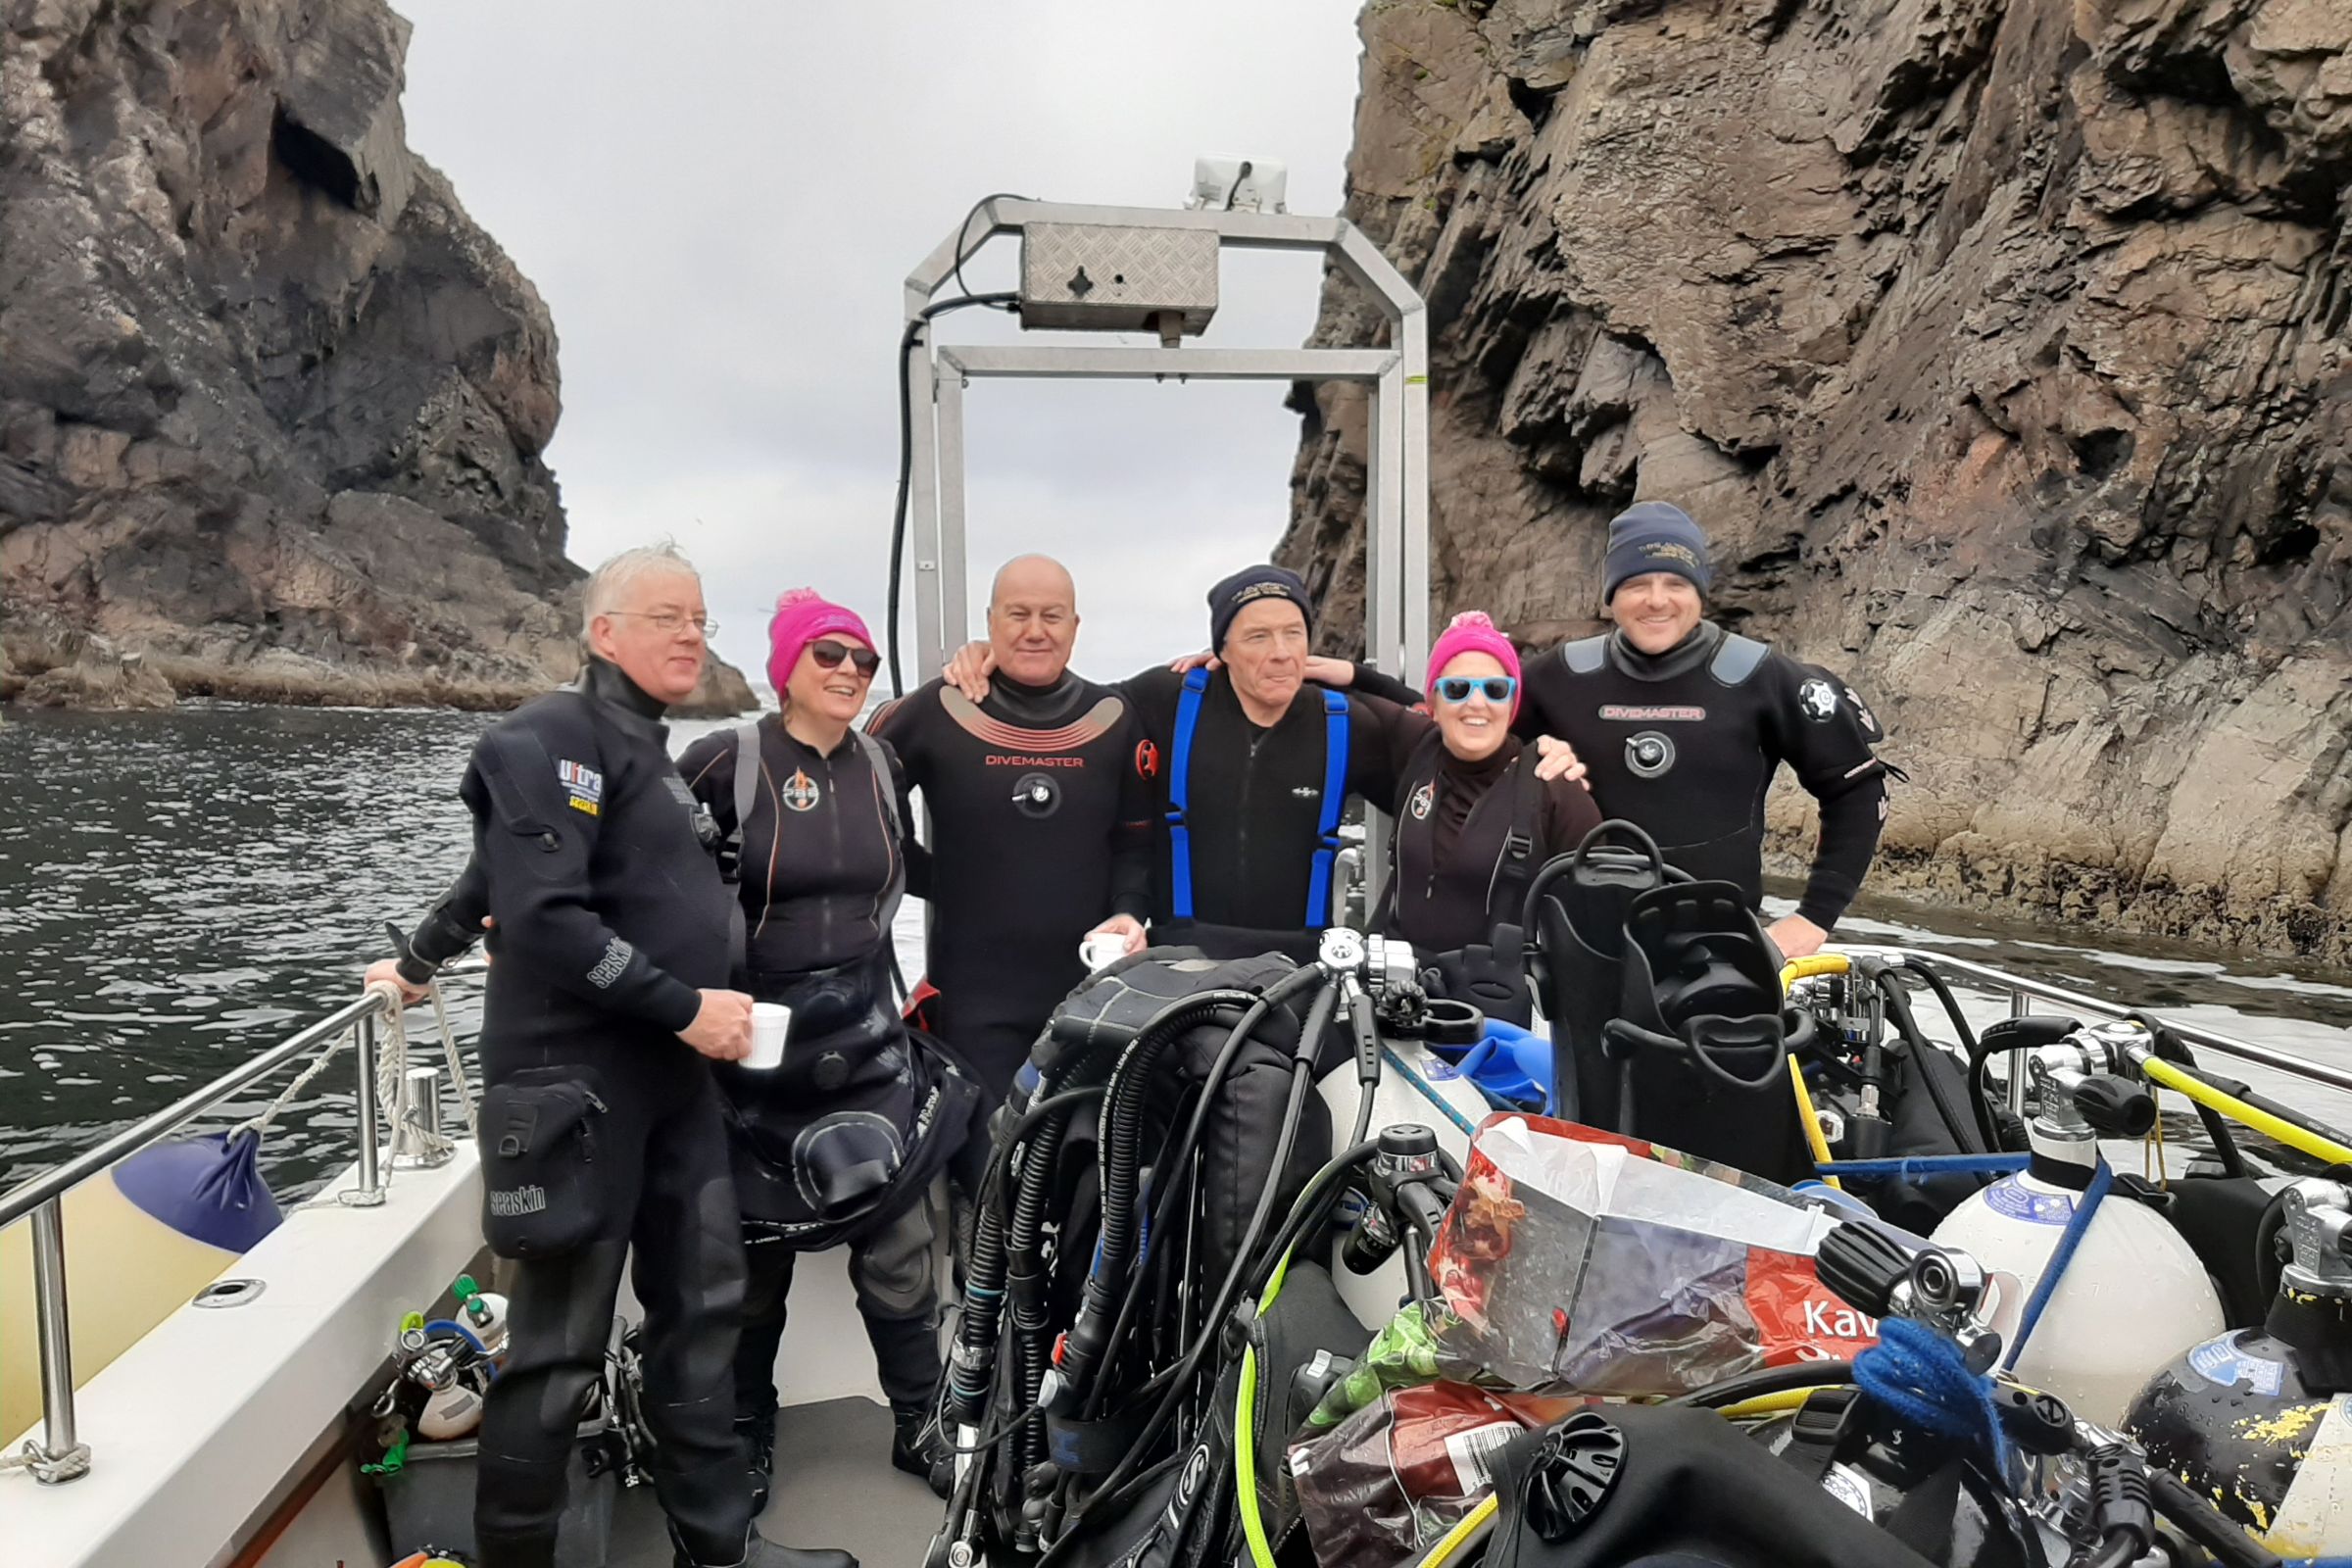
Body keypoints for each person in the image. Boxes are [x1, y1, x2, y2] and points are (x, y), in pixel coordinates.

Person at [365, 544, 853, 1568]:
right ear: (605, 632)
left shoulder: (646, 759)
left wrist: (419, 959)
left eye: (700, 617)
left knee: (701, 1316)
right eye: (666, 615)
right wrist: (685, 1007)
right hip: (568, 1089)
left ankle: (719, 1551)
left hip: (672, 1088)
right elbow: (538, 915)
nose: (690, 634)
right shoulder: (546, 737)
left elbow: (481, 881)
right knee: (555, 1356)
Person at [676, 591, 973, 1506]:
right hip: (752, 1046)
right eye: (829, 655)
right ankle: (746, 1429)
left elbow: (918, 870)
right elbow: (645, 875)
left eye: (864, 661)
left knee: (897, 1242)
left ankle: (919, 1422)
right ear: (787, 669)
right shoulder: (725, 760)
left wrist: (1036, 893)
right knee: (753, 1254)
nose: (849, 671)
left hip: (864, 1038)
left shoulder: (881, 765)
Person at [1514, 501, 1894, 957]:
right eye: (1636, 583)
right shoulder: (1558, 676)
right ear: (1610, 594)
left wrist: (1814, 918)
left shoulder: (1760, 676)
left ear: (1700, 591)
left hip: (1721, 952)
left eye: (1675, 582)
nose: (1657, 600)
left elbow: (1858, 789)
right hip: (1583, 948)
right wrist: (1530, 756)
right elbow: (1467, 751)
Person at [867, 555, 1153, 1102]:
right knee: (988, 1167)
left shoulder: (1113, 716)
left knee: (1086, 1172)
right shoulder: (939, 709)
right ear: (990, 620)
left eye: (1052, 615)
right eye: (1018, 614)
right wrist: (935, 878)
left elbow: (1137, 842)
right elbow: (856, 800)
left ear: (1075, 627)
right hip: (974, 998)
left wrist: (1127, 910)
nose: (1035, 631)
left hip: (1091, 994)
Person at [1367, 612, 1603, 1022]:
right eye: (1457, 688)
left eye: (1495, 689)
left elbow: (1596, 929)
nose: (1477, 702)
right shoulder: (1417, 752)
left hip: (1495, 1022)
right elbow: (1356, 697)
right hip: (1394, 1001)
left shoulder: (1554, 786)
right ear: (1433, 705)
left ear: (1512, 704)